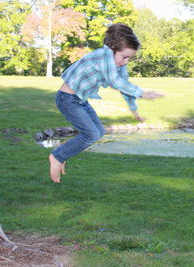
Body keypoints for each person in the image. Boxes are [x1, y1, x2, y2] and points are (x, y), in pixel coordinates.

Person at [48, 23, 164, 183]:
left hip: (80, 100)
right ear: (113, 48)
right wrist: (142, 93)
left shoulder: (118, 64)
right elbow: (115, 82)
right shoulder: (103, 55)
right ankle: (57, 156)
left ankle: (63, 154)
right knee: (92, 134)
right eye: (124, 57)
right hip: (67, 99)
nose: (126, 61)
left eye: (130, 58)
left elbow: (124, 86)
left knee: (99, 132)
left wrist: (134, 110)